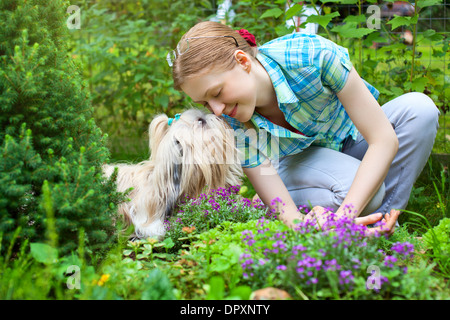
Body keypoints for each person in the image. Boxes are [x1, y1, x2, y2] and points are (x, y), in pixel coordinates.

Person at [167, 21, 440, 235]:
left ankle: (383, 224)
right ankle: (359, 228)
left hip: (350, 140)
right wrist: (297, 220)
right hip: (299, 170)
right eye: (205, 102)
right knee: (361, 192)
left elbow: (383, 140)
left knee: (420, 110)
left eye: (216, 92)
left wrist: (344, 217)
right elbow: (281, 203)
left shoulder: (311, 56)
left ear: (243, 61)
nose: (215, 110)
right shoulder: (231, 119)